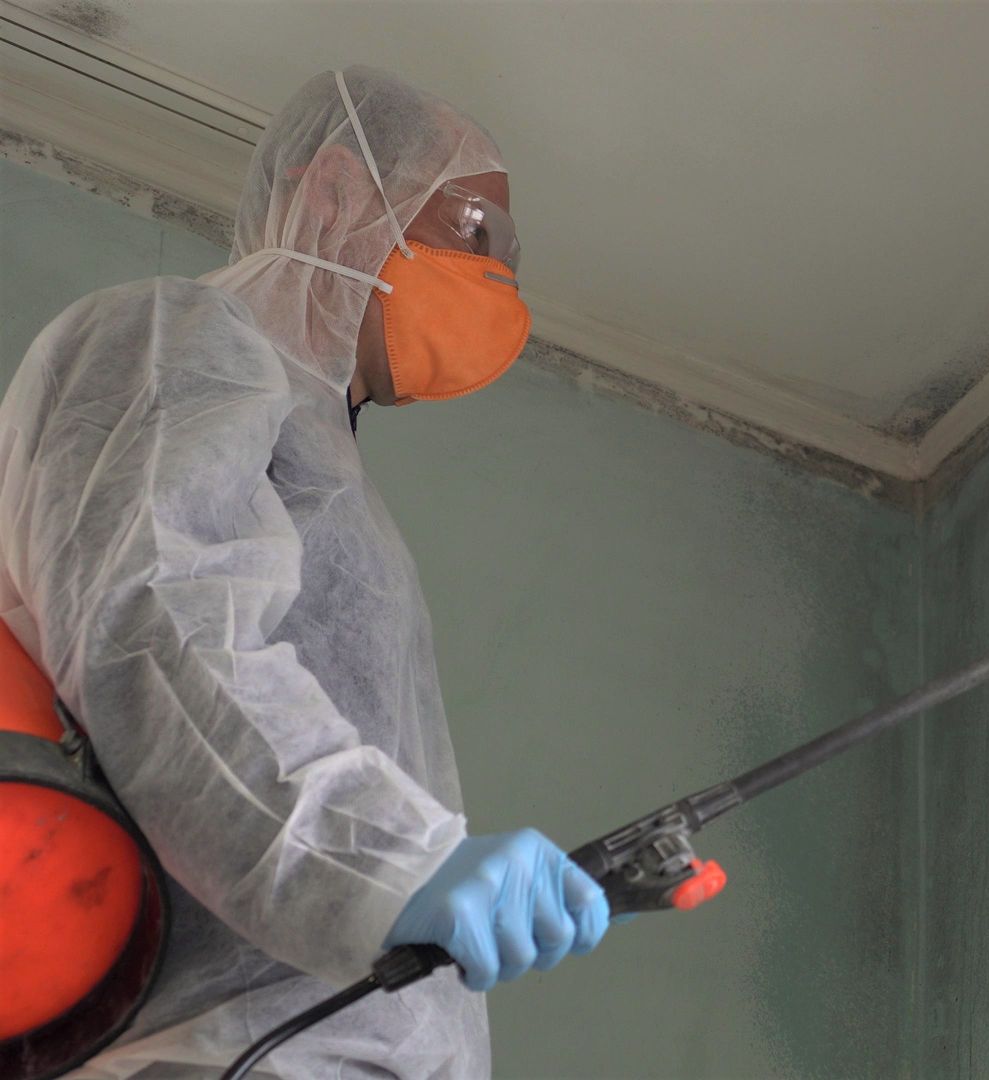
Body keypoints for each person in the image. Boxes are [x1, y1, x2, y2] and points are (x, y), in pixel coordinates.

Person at [0, 67, 606, 1076]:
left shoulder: (335, 472)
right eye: (474, 229)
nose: (496, 278)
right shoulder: (176, 340)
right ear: (334, 191)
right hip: (220, 1050)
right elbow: (154, 623)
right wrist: (390, 865)